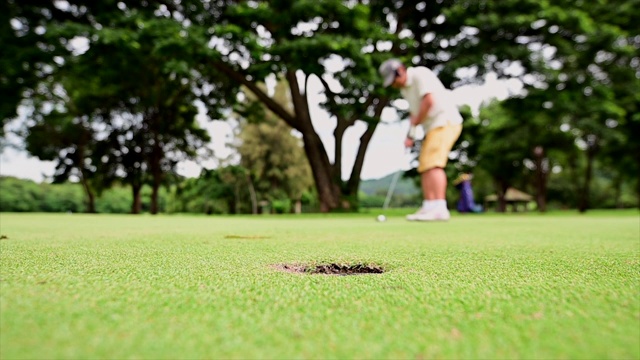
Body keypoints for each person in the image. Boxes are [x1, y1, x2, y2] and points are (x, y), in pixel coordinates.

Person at [379, 59, 463, 221]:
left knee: (433, 163)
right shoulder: (405, 90)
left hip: (445, 121)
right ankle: (429, 206)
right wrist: (410, 134)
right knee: (425, 164)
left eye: (394, 79)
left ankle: (439, 208)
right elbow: (414, 114)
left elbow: (428, 101)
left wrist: (417, 121)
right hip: (431, 127)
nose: (394, 84)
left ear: (400, 71)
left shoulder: (420, 74)